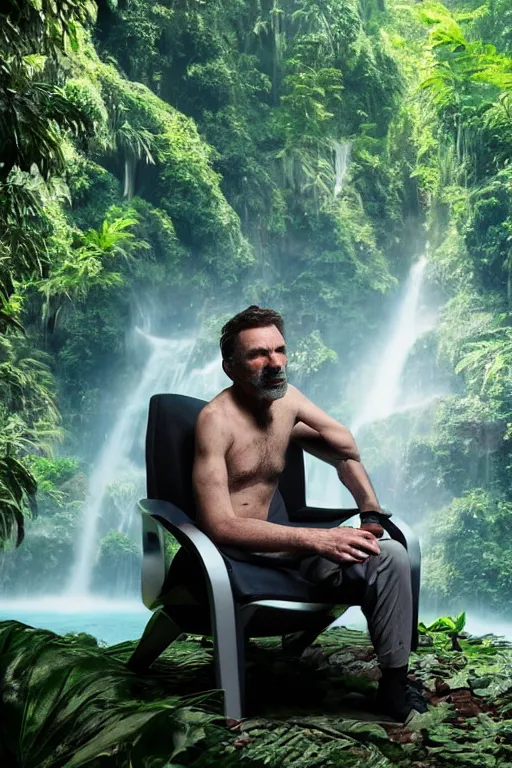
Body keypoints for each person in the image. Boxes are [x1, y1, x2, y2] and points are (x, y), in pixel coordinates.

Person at [192, 305, 427, 723]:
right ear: (230, 367)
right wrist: (318, 539)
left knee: (389, 553)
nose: (275, 363)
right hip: (239, 555)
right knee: (339, 542)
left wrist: (369, 512)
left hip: (286, 549)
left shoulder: (286, 401)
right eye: (258, 355)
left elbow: (345, 448)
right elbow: (220, 526)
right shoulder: (215, 421)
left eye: (279, 350)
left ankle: (394, 683)